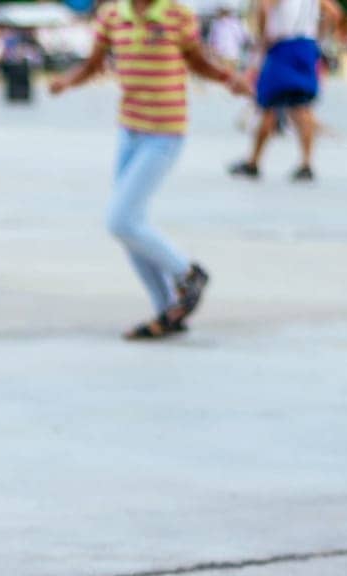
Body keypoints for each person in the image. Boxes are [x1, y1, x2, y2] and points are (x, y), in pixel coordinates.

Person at [51, 0, 250, 341]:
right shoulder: (112, 16)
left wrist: (228, 78)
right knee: (130, 227)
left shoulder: (176, 15)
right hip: (130, 130)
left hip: (165, 131)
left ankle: (188, 274)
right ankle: (168, 311)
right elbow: (94, 64)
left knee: (121, 220)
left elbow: (196, 61)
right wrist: (67, 82)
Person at [229, 0, 344, 182]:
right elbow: (334, 12)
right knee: (301, 106)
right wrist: (319, 35)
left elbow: (264, 7)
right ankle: (306, 163)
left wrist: (263, 36)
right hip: (306, 47)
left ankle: (254, 162)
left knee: (268, 104)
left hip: (282, 46)